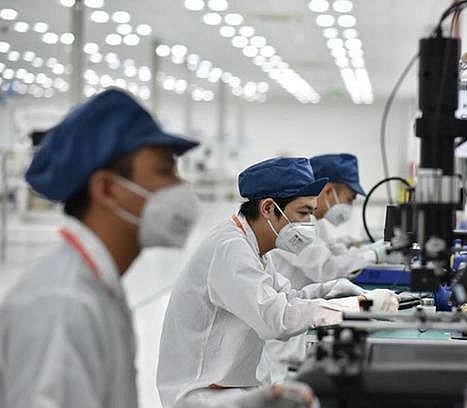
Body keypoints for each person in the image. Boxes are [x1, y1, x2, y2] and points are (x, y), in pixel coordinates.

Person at [0, 89, 201, 408]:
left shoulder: (96, 287)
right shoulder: (62, 306)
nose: (180, 186)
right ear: (108, 189)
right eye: (165, 171)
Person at [157, 157, 398, 407]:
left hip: (231, 386)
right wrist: (357, 307)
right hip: (204, 396)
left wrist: (331, 291)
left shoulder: (253, 244)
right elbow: (276, 319)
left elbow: (286, 295)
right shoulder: (231, 248)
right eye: (303, 213)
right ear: (269, 208)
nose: (308, 225)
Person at [260, 153, 401, 383]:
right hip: (280, 345)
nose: (349, 205)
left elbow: (299, 295)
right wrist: (361, 303)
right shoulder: (288, 230)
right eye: (349, 198)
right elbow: (322, 271)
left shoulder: (305, 224)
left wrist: (334, 288)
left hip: (293, 329)